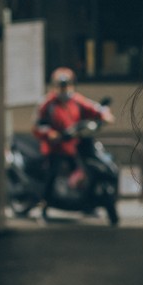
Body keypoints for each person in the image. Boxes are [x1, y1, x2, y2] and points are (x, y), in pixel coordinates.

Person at [34, 66, 115, 198]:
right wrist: (50, 133)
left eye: (66, 85)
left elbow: (95, 109)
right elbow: (38, 126)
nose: (64, 89)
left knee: (83, 171)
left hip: (75, 146)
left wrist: (105, 115)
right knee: (52, 173)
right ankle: (45, 200)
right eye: (60, 85)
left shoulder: (76, 100)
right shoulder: (47, 104)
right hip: (55, 147)